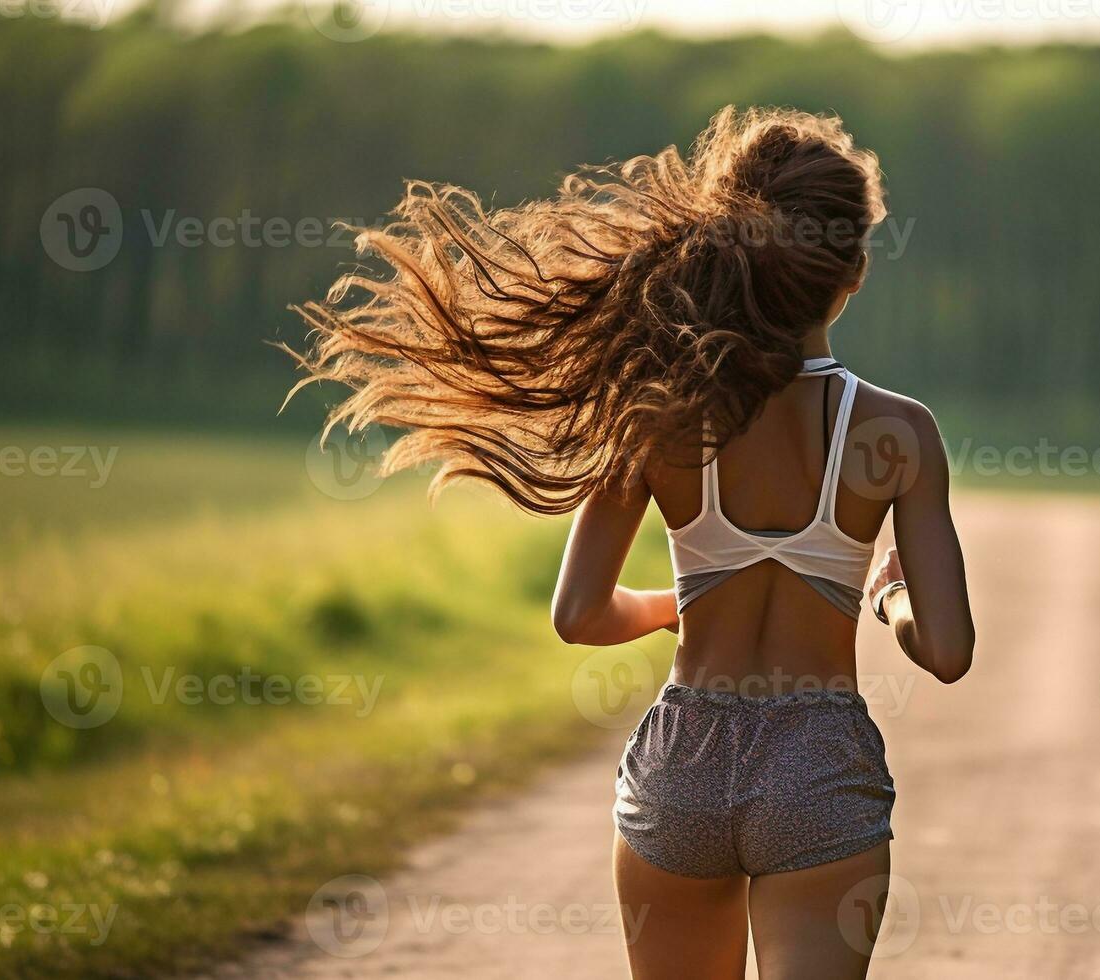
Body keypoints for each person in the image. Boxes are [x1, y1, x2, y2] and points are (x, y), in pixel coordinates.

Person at [289, 106, 974, 978]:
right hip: (819, 764)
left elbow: (578, 614)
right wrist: (886, 595)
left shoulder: (657, 414)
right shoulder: (900, 432)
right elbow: (947, 652)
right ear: (855, 272)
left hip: (680, 767)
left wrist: (672, 611)